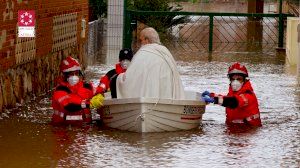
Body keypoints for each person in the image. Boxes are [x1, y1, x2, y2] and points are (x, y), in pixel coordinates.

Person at [116, 27, 185, 99]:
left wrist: (119, 78)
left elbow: (130, 79)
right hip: (168, 99)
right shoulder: (166, 52)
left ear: (146, 40)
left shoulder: (143, 53)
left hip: (147, 101)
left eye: (141, 40)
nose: (140, 43)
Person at [202, 62, 262, 127]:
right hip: (233, 129)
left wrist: (215, 100)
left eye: (239, 79)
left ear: (245, 80)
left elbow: (234, 102)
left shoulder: (248, 95)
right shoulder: (232, 93)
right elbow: (227, 98)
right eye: (233, 79)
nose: (235, 82)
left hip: (248, 130)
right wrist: (212, 95)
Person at [51, 56, 104, 126]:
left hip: (85, 127)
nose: (74, 76)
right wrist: (89, 104)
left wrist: (102, 95)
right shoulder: (60, 90)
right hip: (63, 128)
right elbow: (69, 106)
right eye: (71, 74)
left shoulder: (86, 86)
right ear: (64, 75)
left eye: (76, 73)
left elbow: (98, 91)